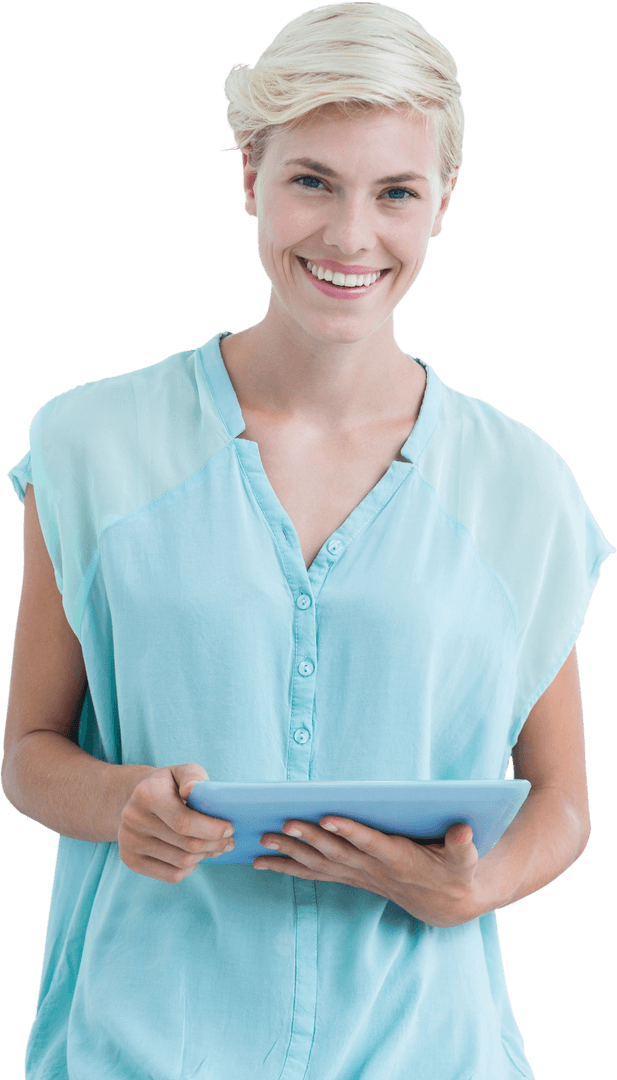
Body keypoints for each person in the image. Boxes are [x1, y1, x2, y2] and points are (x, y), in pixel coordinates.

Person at [2, 2, 614, 1078]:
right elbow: (30, 753)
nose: (347, 237)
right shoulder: (90, 445)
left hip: (430, 1051)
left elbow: (560, 801)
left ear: (441, 205)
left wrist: (471, 887)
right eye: (310, 181)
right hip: (141, 1050)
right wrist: (120, 803)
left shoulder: (520, 484)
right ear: (249, 178)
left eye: (394, 193)